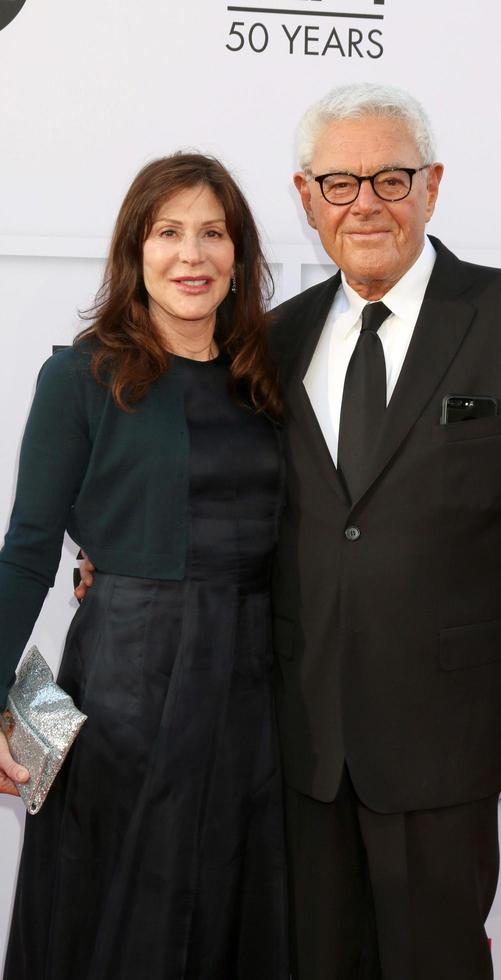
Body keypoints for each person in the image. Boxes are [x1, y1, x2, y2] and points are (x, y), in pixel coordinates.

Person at [267, 83, 501, 979]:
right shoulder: (273, 339)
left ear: (433, 185)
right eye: (339, 183)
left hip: (446, 734)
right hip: (302, 733)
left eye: (391, 177)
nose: (365, 202)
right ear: (307, 199)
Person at [0, 153, 288, 979]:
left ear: (238, 255)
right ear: (136, 249)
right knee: (124, 917)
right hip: (128, 687)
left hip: (256, 691)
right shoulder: (82, 377)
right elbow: (27, 555)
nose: (191, 256)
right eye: (168, 233)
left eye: (212, 233)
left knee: (237, 909)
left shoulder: (267, 376)